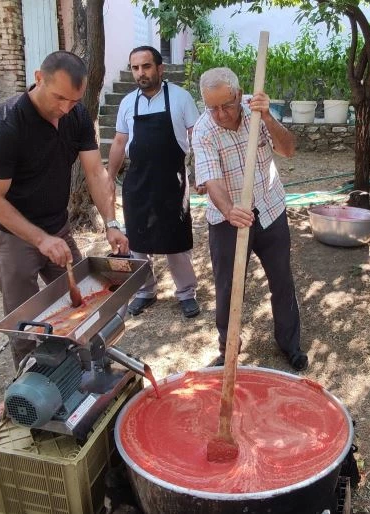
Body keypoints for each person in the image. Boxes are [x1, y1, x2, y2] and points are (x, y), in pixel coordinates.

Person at [0, 51, 129, 368]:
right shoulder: (7, 126)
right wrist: (41, 239)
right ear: (38, 79)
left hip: (57, 227)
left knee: (83, 302)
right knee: (24, 322)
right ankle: (31, 382)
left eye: (73, 101)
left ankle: (84, 370)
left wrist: (112, 222)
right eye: (59, 97)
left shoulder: (76, 116)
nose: (65, 108)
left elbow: (95, 173)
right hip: (12, 236)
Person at [191, 67, 308, 372]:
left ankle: (290, 344)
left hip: (270, 207)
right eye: (212, 108)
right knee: (228, 288)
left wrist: (267, 117)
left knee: (282, 280)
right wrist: (229, 209)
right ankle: (228, 348)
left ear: (239, 95)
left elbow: (289, 149)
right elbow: (211, 180)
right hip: (227, 218)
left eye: (226, 106)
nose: (220, 114)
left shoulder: (257, 113)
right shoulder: (203, 130)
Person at [107, 46, 202, 319]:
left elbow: (197, 137)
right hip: (137, 182)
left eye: (146, 66)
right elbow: (120, 141)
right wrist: (109, 176)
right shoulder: (128, 103)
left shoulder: (181, 98)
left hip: (173, 181)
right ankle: (145, 291)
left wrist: (202, 173)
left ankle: (186, 293)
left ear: (160, 68)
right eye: (135, 68)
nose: (141, 73)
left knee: (177, 241)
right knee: (137, 241)